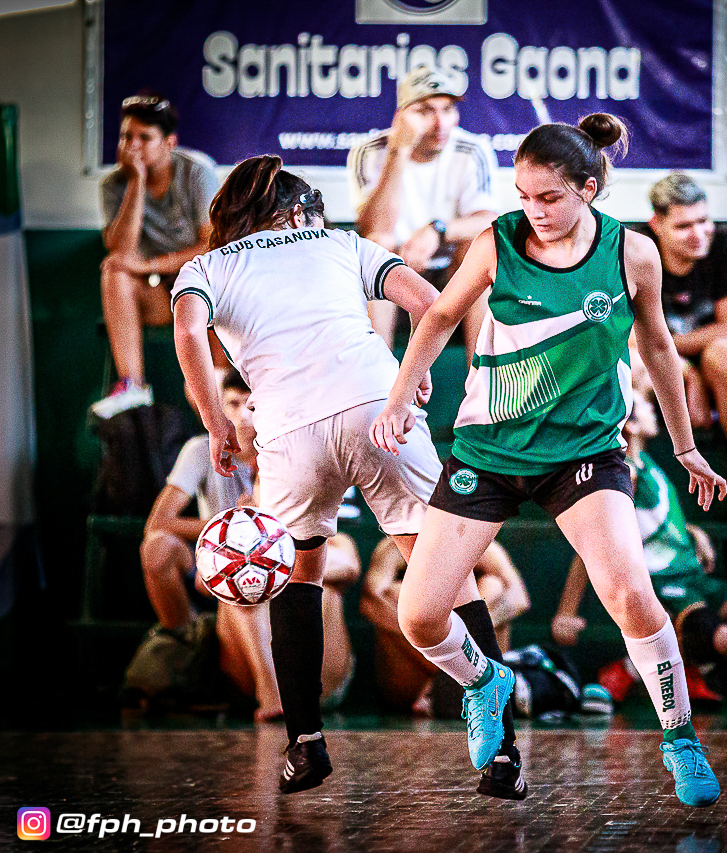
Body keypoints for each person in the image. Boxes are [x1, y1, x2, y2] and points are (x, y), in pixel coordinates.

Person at [369, 114, 727, 807]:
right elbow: (439, 317)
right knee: (418, 614)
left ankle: (680, 737)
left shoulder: (634, 254)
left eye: (549, 197)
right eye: (523, 195)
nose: (533, 210)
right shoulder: (498, 243)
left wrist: (685, 446)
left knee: (629, 594)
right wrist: (397, 396)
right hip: (491, 446)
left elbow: (657, 349)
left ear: (588, 189)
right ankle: (485, 680)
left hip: (585, 450)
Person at [170, 155, 522, 799]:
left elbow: (190, 336)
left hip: (289, 432)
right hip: (376, 410)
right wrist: (412, 380)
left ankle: (304, 745)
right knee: (444, 569)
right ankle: (499, 749)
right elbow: (430, 303)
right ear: (301, 213)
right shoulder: (339, 241)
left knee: (295, 578)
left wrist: (217, 426)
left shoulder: (205, 267)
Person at [553, 385, 727, 702]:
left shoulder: (646, 463)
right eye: (645, 406)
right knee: (711, 634)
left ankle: (681, 661)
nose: (653, 410)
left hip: (695, 578)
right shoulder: (624, 472)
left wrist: (691, 531)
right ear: (628, 422)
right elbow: (593, 543)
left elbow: (653, 520)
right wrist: (566, 612)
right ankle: (684, 659)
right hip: (668, 585)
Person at [139, 370, 355, 719]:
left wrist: (268, 547)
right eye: (233, 404)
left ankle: (299, 694)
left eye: (251, 405)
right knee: (236, 581)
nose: (242, 415)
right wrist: (229, 539)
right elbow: (166, 532)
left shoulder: (295, 462)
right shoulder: (204, 451)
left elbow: (348, 563)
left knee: (319, 586)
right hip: (238, 634)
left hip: (320, 665)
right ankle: (188, 646)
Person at [637, 174, 727, 524]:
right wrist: (683, 371)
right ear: (657, 224)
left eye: (703, 220)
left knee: (726, 353)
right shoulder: (636, 247)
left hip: (710, 364)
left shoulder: (725, 245)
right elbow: (626, 335)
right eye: (684, 226)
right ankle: (629, 489)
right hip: (654, 364)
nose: (699, 234)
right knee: (631, 367)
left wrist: (683, 362)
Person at [348, 66, 499, 354]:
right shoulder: (369, 150)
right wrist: (399, 151)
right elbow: (374, 229)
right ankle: (379, 384)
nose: (440, 124)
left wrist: (436, 231)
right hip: (394, 269)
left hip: (451, 270)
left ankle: (480, 384)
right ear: (402, 115)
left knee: (478, 248)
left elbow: (489, 220)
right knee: (378, 247)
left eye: (448, 109)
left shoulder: (472, 148)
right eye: (426, 111)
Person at [95, 92, 220, 419]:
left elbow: (211, 246)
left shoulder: (195, 171)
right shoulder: (114, 183)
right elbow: (121, 252)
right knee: (114, 269)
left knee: (219, 289)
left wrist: (150, 263)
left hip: (201, 292)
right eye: (126, 136)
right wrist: (136, 182)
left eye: (144, 137)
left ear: (169, 142)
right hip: (156, 294)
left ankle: (224, 391)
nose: (132, 145)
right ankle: (133, 386)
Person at [361, 537, 529, 714]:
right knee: (398, 594)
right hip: (416, 676)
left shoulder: (481, 542)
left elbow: (518, 599)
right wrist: (436, 641)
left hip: (473, 664)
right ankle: (451, 682)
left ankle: (458, 683)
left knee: (492, 587)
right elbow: (371, 602)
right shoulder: (394, 545)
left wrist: (466, 635)